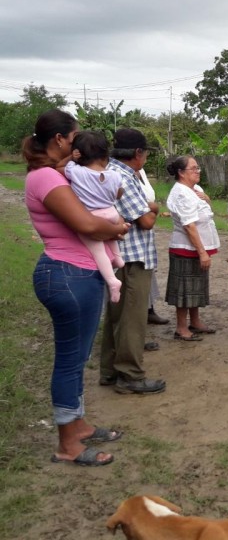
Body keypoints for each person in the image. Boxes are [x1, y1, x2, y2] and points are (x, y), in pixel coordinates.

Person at [23, 109, 129, 466]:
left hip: (78, 273)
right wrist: (119, 228)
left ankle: (78, 424)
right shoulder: (45, 180)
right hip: (68, 275)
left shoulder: (56, 173)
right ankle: (67, 444)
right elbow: (88, 225)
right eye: (74, 137)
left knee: (78, 358)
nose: (77, 144)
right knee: (69, 362)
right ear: (59, 139)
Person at [100, 129, 166, 395]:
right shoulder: (123, 177)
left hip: (120, 255)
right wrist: (154, 207)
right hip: (131, 257)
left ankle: (110, 370)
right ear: (138, 153)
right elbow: (147, 221)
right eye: (146, 153)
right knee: (132, 317)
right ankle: (129, 375)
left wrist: (149, 207)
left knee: (117, 315)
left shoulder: (110, 172)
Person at [56, 131, 125, 303]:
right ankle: (118, 258)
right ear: (105, 154)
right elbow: (119, 194)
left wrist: (70, 158)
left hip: (93, 216)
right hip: (112, 213)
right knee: (111, 237)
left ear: (79, 154)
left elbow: (57, 168)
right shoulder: (115, 175)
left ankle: (112, 281)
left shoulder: (76, 171)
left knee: (98, 249)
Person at [165, 156, 220, 340]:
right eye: (193, 168)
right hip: (186, 248)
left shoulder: (195, 189)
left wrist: (207, 198)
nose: (198, 171)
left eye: (198, 168)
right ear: (181, 173)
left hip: (197, 247)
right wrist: (202, 252)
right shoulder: (181, 193)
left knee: (196, 285)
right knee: (184, 288)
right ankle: (181, 327)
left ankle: (195, 321)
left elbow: (207, 212)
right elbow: (189, 225)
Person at [139, 167, 170, 325]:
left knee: (148, 273)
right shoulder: (122, 173)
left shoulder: (142, 171)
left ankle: (149, 310)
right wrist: (154, 208)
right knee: (136, 279)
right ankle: (139, 317)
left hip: (146, 232)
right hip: (137, 228)